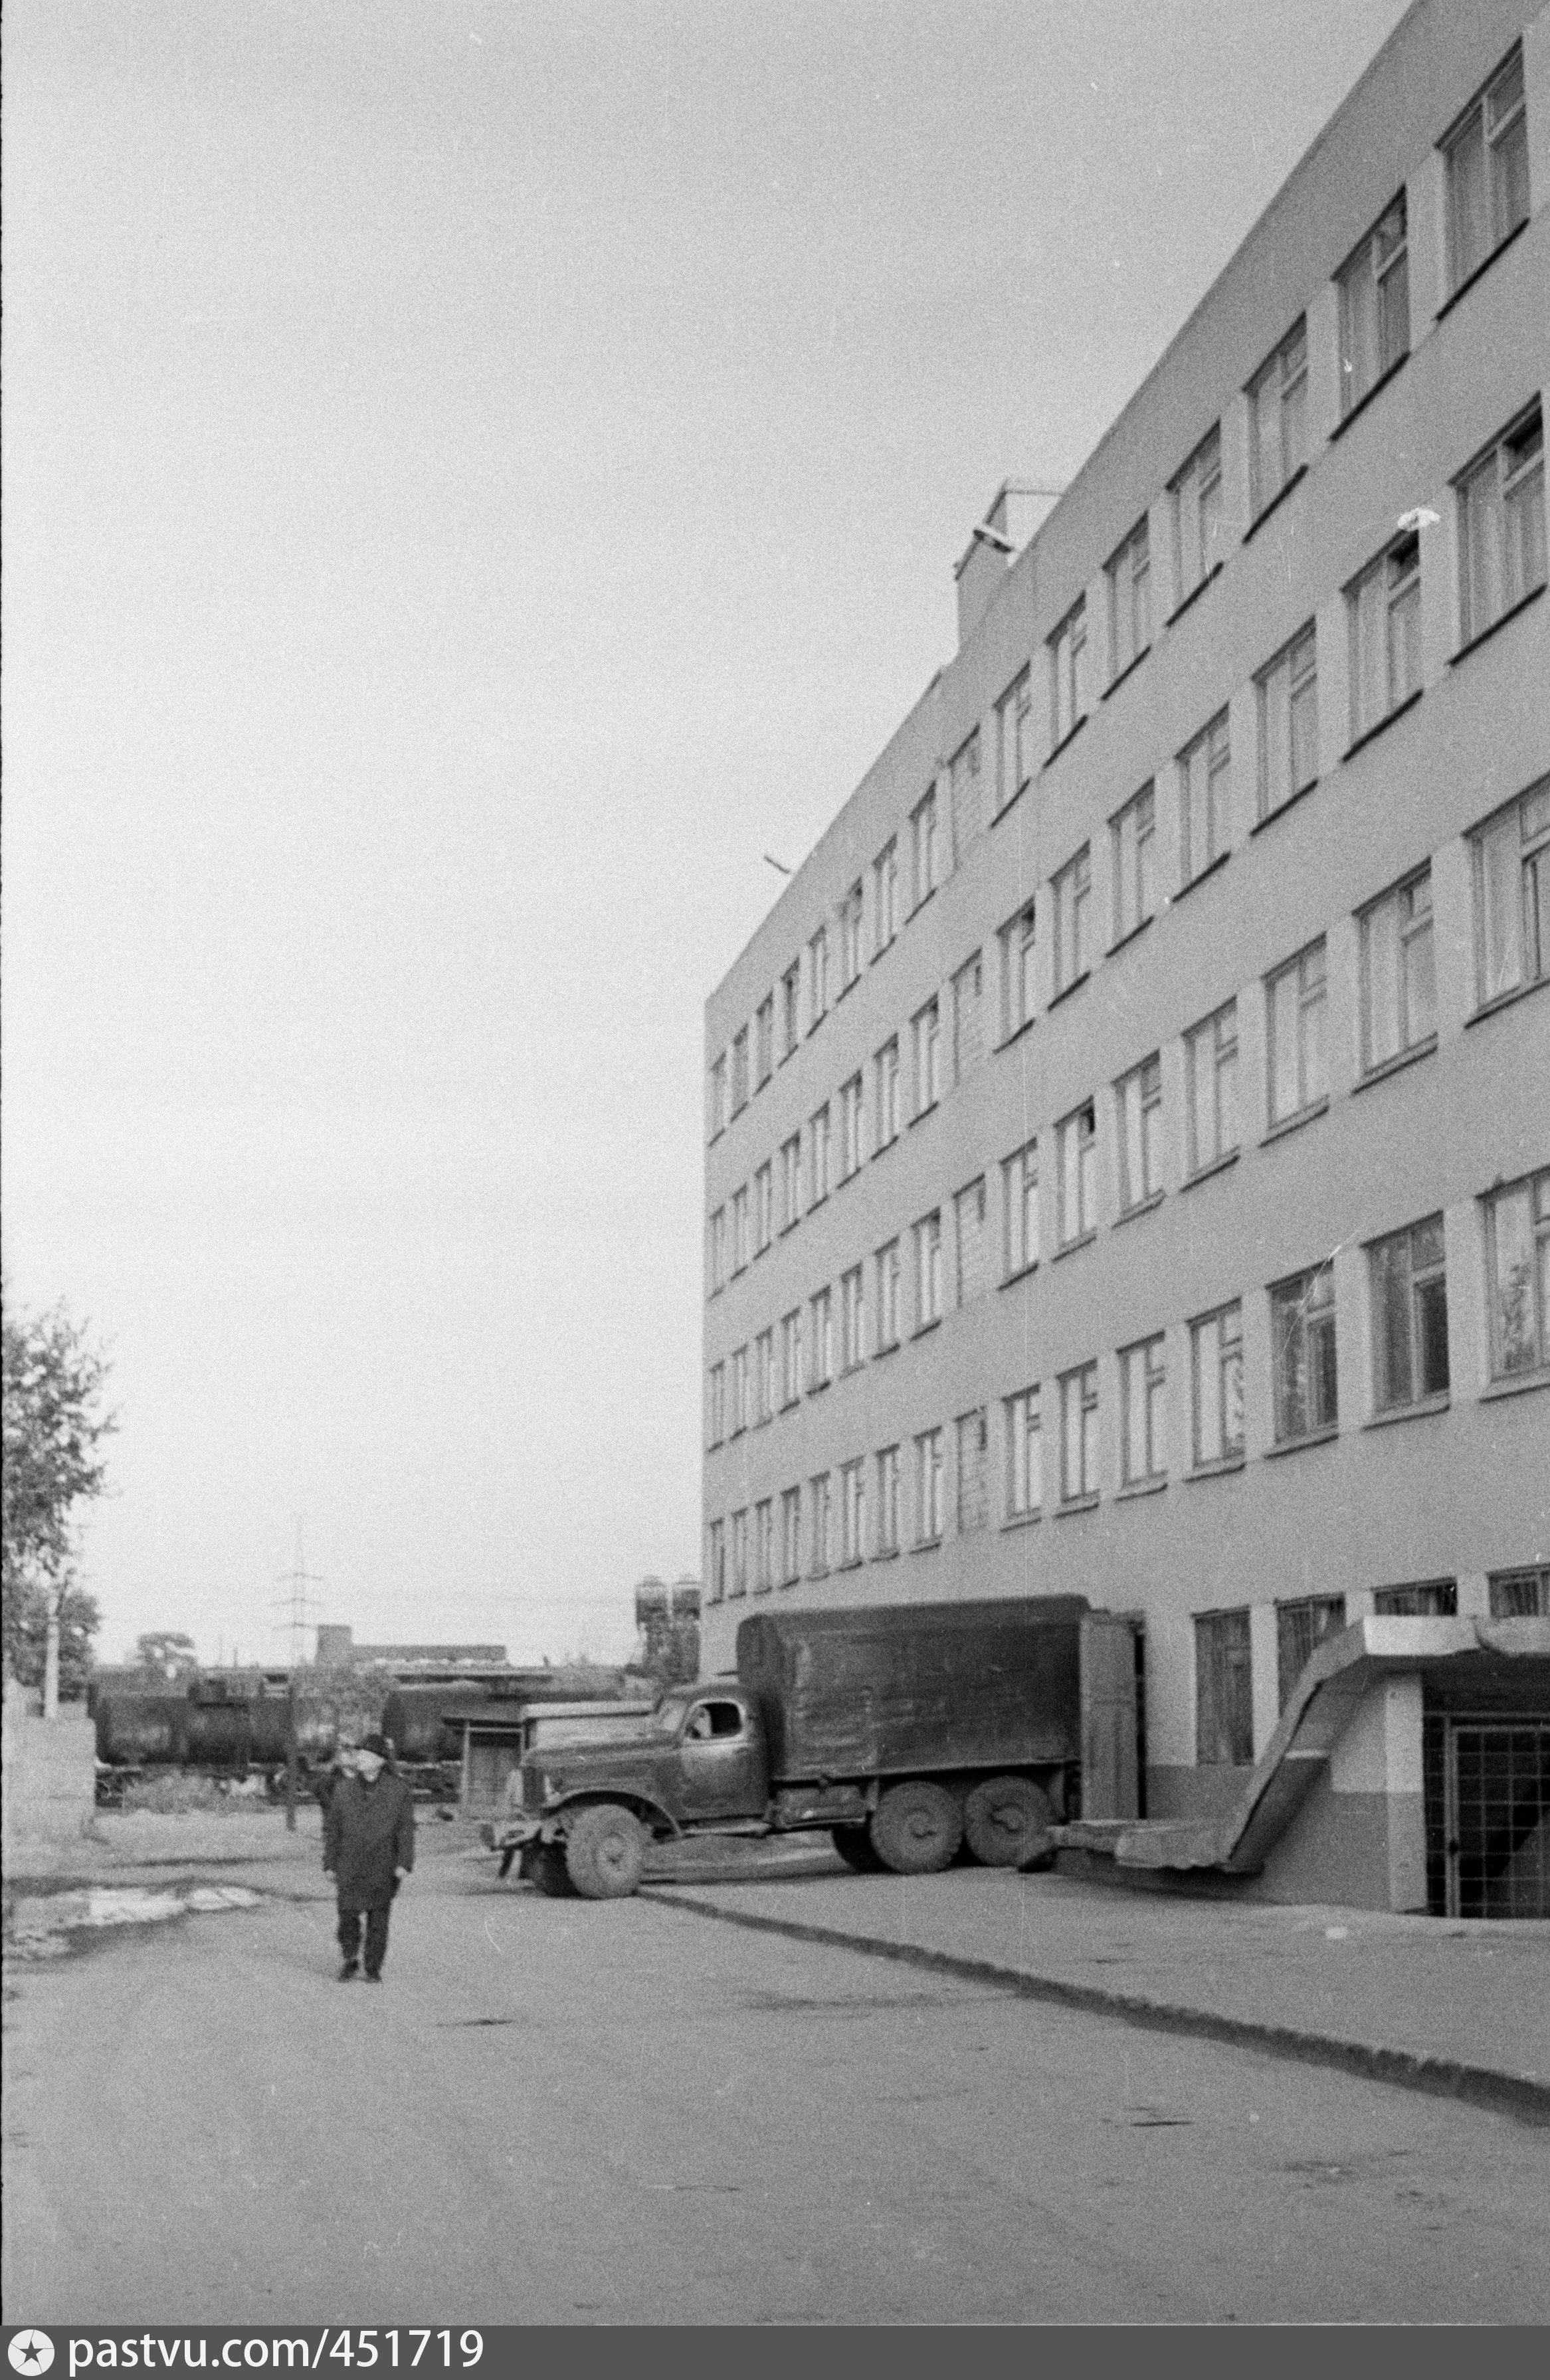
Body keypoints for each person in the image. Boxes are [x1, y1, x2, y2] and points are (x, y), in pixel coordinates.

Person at [322, 1732, 415, 1982]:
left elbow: (406, 1828)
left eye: (366, 1755)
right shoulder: (343, 1790)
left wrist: (405, 1862)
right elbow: (332, 1830)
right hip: (349, 1864)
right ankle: (350, 1957)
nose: (360, 1759)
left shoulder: (399, 1791)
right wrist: (330, 1863)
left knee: (378, 1921)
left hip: (383, 1864)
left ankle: (373, 1967)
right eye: (359, 1754)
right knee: (347, 1917)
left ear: (381, 1761)